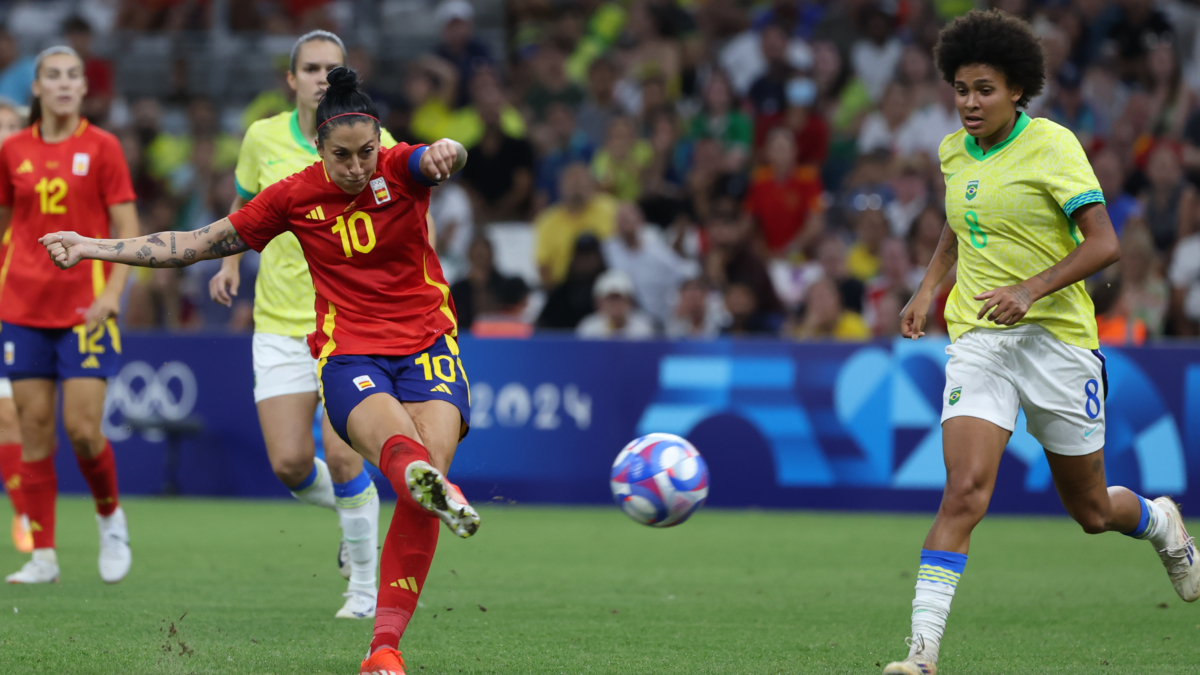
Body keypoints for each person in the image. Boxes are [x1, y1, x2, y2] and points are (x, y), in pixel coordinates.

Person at [41, 66, 475, 675]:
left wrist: (444, 154)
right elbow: (194, 242)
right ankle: (414, 513)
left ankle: (383, 649)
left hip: (431, 345)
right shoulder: (293, 196)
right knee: (403, 458)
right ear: (318, 149)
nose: (356, 168)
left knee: (422, 485)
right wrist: (93, 246)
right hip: (351, 353)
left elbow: (429, 158)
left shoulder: (398, 167)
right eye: (342, 156)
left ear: (380, 144)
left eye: (366, 154)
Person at [887, 11, 1199, 675]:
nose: (970, 103)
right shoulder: (951, 152)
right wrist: (927, 290)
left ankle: (1161, 521)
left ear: (1017, 90)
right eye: (962, 89)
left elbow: (1105, 242)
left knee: (1091, 510)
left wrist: (1031, 288)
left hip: (1057, 343)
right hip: (981, 340)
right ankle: (921, 653)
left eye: (985, 90)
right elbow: (956, 228)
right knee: (964, 492)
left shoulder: (1053, 146)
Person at [207, 31, 390, 620]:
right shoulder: (263, 137)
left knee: (344, 458)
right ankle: (351, 513)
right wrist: (229, 264)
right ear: (291, 79)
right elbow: (241, 207)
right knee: (288, 463)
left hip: (349, 325)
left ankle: (362, 587)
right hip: (279, 322)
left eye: (330, 68)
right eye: (309, 67)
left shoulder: (370, 139)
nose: (319, 76)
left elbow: (406, 208)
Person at [2, 47, 139, 584]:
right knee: (33, 430)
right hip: (22, 304)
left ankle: (109, 517)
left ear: (85, 88)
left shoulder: (103, 148)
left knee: (82, 430)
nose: (63, 84)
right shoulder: (12, 149)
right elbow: (6, 224)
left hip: (86, 306)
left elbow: (128, 228)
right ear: (36, 87)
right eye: (52, 76)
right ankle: (42, 555)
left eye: (73, 76)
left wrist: (114, 294)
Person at [0, 99, 28, 553]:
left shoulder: (38, 189)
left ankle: (25, 513)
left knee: (12, 416)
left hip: (19, 308)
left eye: (10, 127)